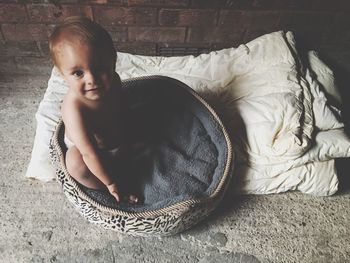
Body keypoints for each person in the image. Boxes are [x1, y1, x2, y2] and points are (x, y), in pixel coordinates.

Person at [49, 16, 138, 204]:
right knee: (75, 165)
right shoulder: (74, 108)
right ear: (62, 74)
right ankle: (111, 190)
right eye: (78, 73)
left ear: (113, 61)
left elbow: (121, 106)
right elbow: (89, 153)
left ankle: (127, 160)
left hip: (115, 137)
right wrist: (111, 182)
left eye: (100, 68)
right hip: (91, 152)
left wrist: (128, 131)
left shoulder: (114, 81)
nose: (92, 79)